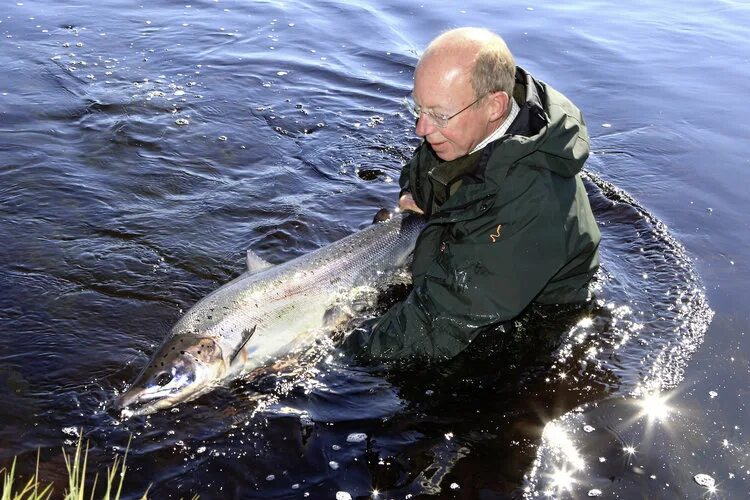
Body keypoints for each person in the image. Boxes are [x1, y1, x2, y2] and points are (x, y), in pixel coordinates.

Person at [344, 27, 600, 361]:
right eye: (418, 108)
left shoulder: (529, 203)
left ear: (495, 106)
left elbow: (433, 327)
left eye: (437, 114)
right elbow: (425, 166)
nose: (421, 129)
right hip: (463, 271)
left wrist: (335, 350)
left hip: (519, 328)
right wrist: (412, 189)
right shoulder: (465, 125)